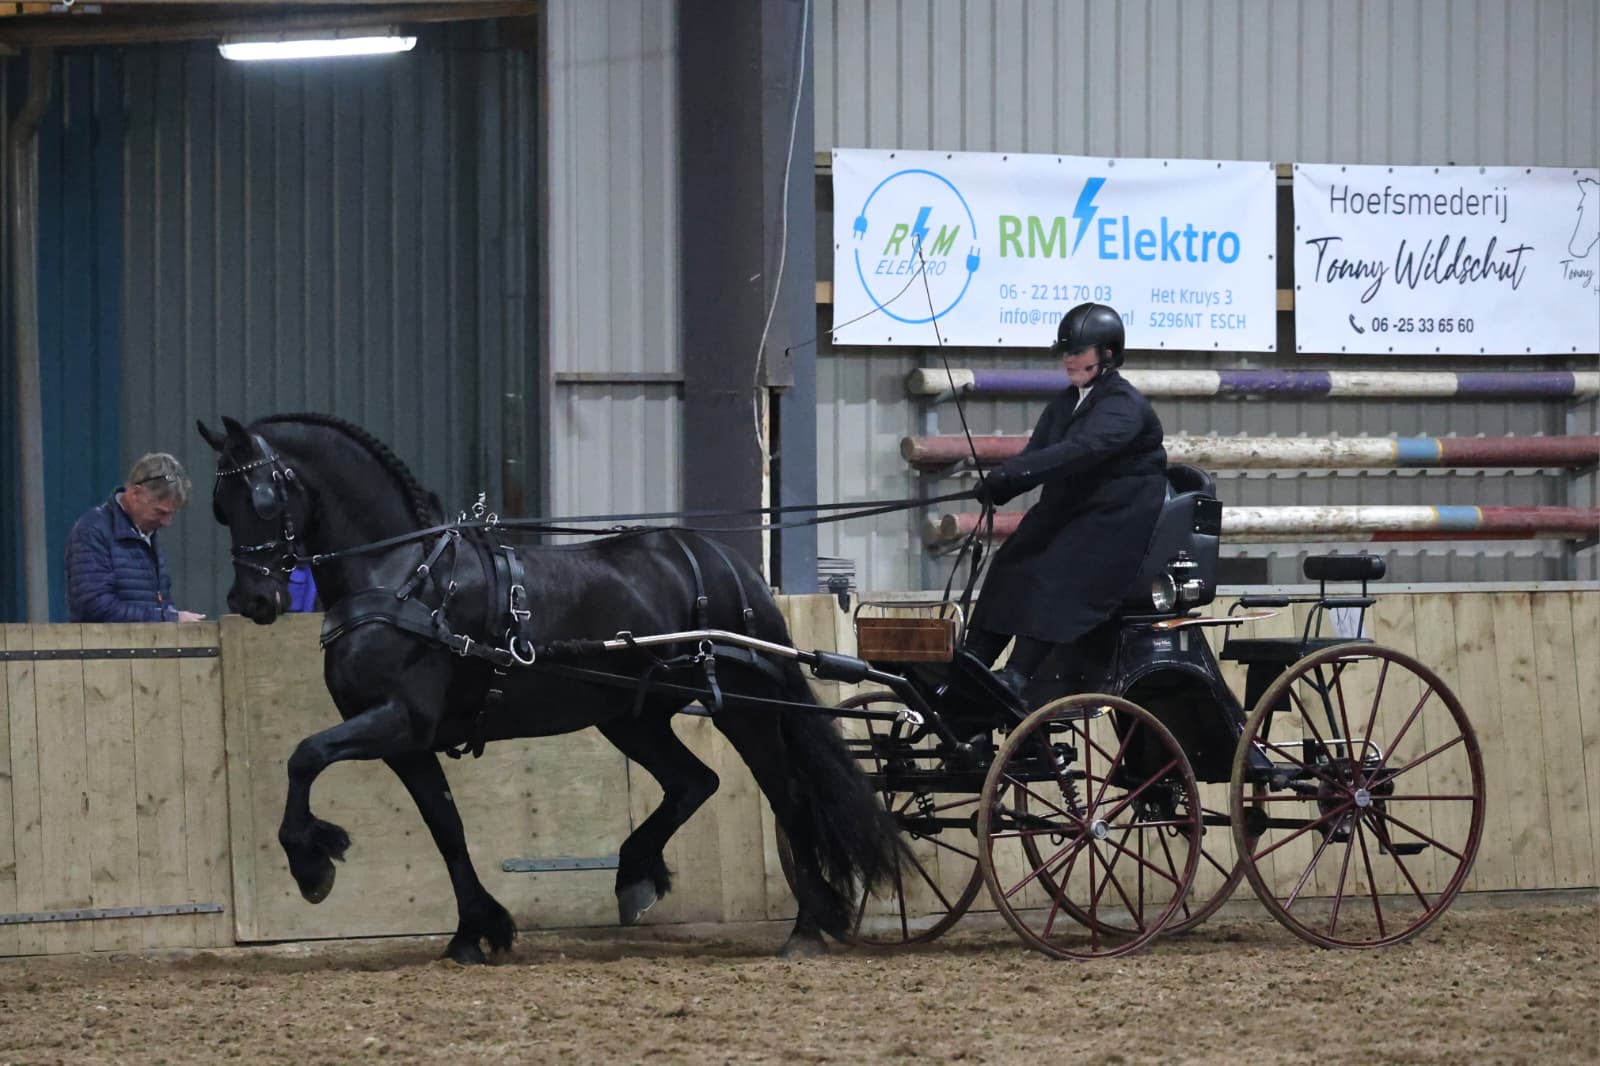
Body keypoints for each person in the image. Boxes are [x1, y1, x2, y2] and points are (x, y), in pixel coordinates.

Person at [965, 302, 1167, 701]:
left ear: (1107, 354)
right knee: (1014, 557)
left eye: (1078, 351)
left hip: (1115, 520)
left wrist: (1015, 474)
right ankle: (974, 659)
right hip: (1074, 511)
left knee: (1057, 564)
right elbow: (1039, 451)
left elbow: (1082, 450)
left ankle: (1020, 673)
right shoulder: (1066, 402)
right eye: (1066, 352)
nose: (1069, 360)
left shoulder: (1123, 405)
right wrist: (1001, 484)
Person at [65, 452, 207, 623]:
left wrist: (169, 616)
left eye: (171, 514)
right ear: (135, 494)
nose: (167, 522)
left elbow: (159, 601)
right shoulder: (93, 531)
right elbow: (95, 606)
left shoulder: (146, 534)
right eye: (160, 512)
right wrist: (169, 618)